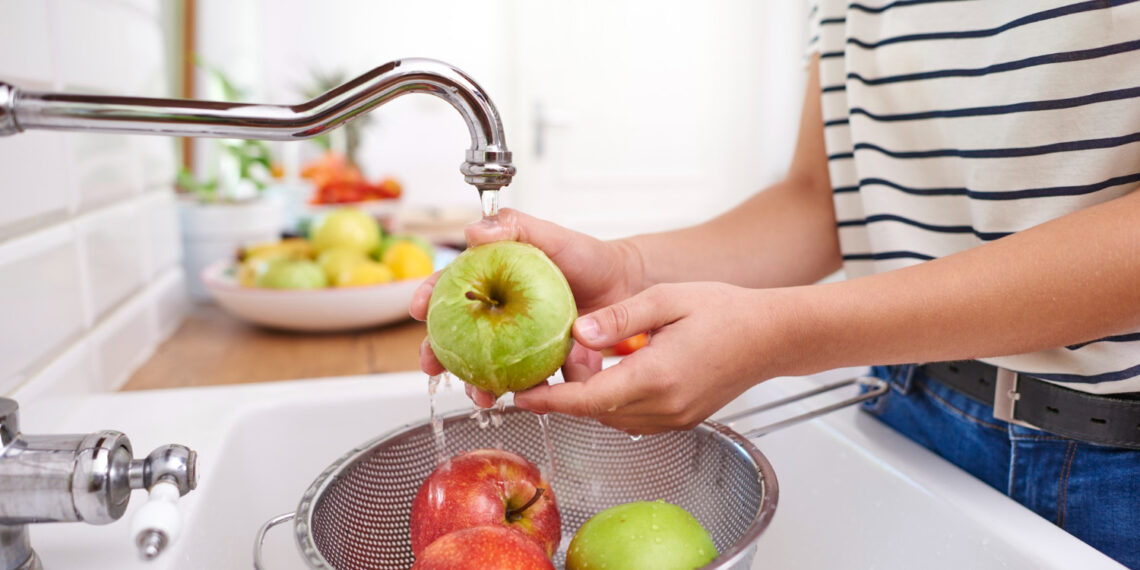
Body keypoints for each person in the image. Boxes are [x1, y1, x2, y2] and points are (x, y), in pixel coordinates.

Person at [412, 1, 1140, 566]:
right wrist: (628, 269)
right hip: (906, 409)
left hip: (1108, 470)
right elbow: (818, 200)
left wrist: (788, 333)